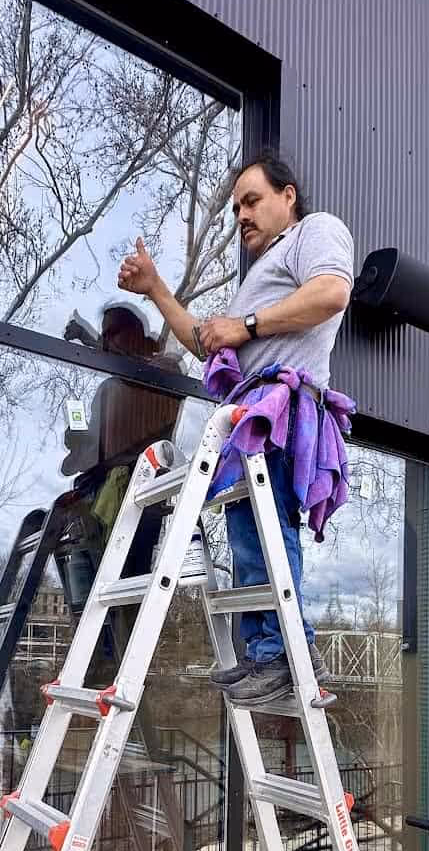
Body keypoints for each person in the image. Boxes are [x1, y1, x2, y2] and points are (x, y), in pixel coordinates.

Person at [117, 151, 353, 705]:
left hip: (279, 409)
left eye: (252, 200)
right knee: (249, 535)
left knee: (269, 528)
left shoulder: (315, 233)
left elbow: (332, 293)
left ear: (287, 196)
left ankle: (287, 655)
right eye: (236, 207)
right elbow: (206, 338)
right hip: (248, 419)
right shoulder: (259, 279)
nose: (242, 214)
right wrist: (156, 289)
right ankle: (266, 650)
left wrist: (245, 325)